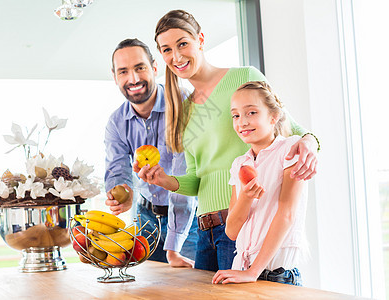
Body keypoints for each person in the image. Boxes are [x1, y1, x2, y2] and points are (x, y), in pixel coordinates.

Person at [134, 10, 319, 271]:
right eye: (166, 49)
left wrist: (310, 145)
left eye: (182, 43)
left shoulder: (243, 77)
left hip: (242, 223)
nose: (176, 56)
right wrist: (164, 180)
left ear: (200, 39)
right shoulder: (184, 109)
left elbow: (294, 129)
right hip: (204, 233)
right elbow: (199, 178)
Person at [104, 38, 198, 267]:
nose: (133, 79)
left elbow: (183, 179)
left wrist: (174, 246)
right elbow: (117, 168)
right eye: (123, 71)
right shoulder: (116, 122)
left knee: (192, 288)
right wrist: (121, 191)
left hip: (190, 220)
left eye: (140, 68)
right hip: (145, 218)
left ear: (154, 68)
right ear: (115, 76)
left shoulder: (184, 105)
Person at [212, 81, 307, 286]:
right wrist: (246, 198)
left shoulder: (290, 150)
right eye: (236, 115)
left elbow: (287, 214)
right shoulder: (239, 164)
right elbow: (231, 231)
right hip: (242, 272)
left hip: (276, 276)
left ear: (274, 117)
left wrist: (254, 271)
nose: (242, 122)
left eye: (251, 112)